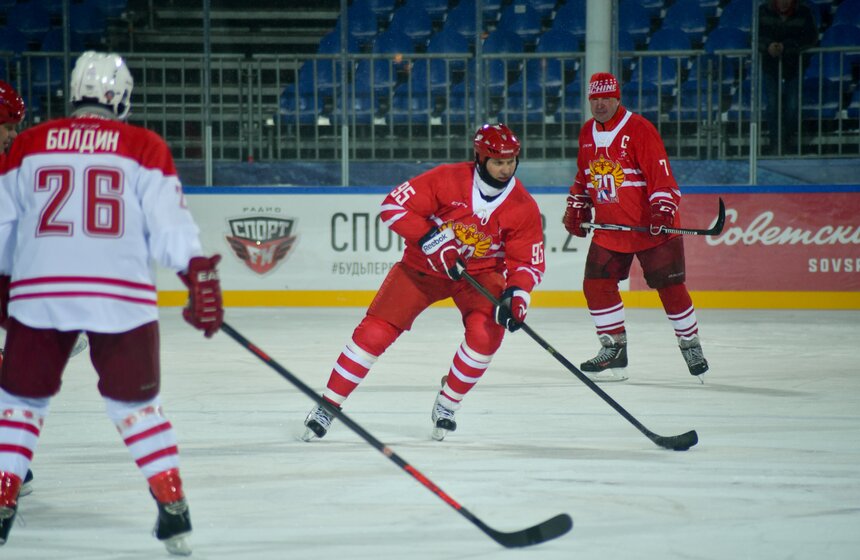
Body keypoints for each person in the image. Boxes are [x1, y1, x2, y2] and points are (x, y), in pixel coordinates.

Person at [0, 51, 224, 555]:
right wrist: (197, 277)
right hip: (120, 294)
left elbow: (3, 224)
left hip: (41, 292)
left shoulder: (30, 143)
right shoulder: (144, 145)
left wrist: (6, 283)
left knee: (21, 403)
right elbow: (171, 228)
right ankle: (173, 507)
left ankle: (3, 498)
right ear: (121, 98)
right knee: (136, 406)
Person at [301, 123, 545, 442]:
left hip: (478, 276)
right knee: (373, 334)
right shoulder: (447, 179)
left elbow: (527, 262)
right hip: (422, 270)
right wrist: (433, 241)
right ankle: (328, 404)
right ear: (480, 158)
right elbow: (393, 206)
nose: (506, 169)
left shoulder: (523, 206)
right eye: (498, 162)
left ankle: (448, 403)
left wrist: (517, 294)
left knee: (486, 336)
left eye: (511, 161)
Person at [562, 72, 708, 383]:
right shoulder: (587, 132)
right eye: (595, 99)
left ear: (618, 98)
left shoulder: (640, 129)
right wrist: (578, 203)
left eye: (606, 98)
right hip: (611, 228)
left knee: (670, 287)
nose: (600, 105)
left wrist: (662, 210)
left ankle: (690, 344)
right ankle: (613, 349)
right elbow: (585, 174)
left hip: (652, 227)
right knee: (596, 284)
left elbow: (661, 176)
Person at [758, 0, 818, 155]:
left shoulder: (804, 12)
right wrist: (768, 46)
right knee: (772, 105)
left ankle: (783, 141)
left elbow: (810, 38)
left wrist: (786, 46)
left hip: (794, 67)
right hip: (770, 67)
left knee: (793, 106)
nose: (784, 2)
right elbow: (755, 37)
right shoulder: (762, 11)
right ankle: (776, 144)